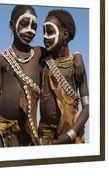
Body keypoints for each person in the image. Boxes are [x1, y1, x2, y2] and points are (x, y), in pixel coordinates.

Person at [38, 9, 89, 145]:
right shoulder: (42, 63)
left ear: (65, 35)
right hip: (44, 138)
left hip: (70, 138)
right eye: (43, 32)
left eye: (50, 32)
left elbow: (87, 107)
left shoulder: (76, 66)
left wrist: (69, 135)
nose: (45, 37)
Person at [0, 5, 43, 147]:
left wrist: (77, 55)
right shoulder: (1, 60)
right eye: (24, 23)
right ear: (11, 25)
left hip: (28, 136)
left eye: (34, 26)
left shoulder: (39, 54)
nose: (30, 30)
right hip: (2, 136)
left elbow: (60, 52)